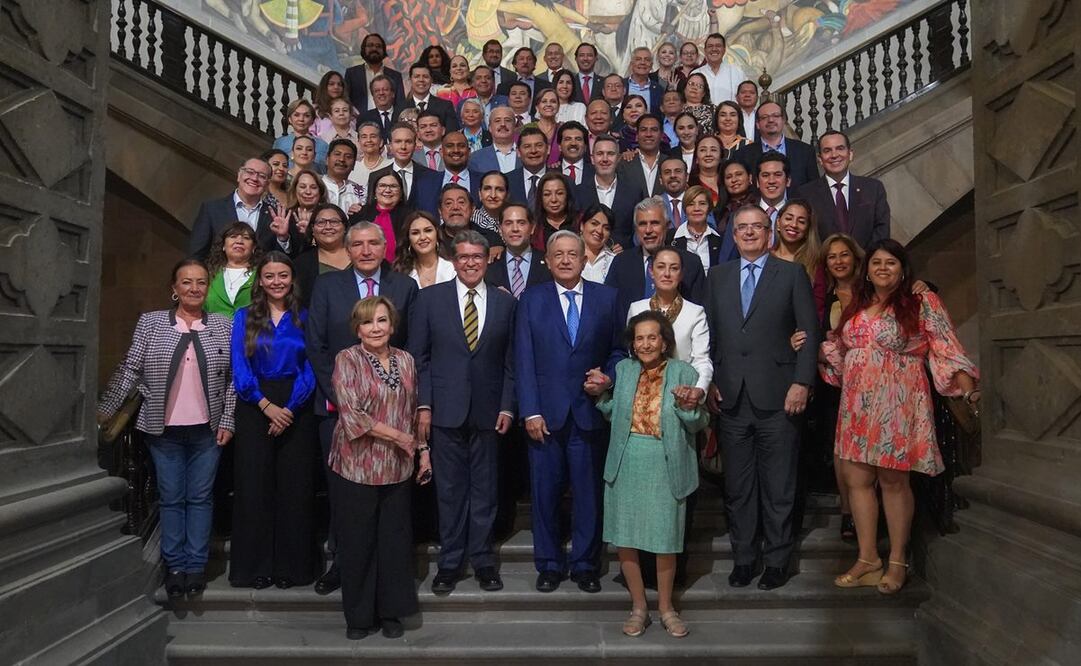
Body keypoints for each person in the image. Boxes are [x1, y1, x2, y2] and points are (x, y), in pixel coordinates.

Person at [822, 239, 978, 594]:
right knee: (857, 481)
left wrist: (969, 389)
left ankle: (896, 559)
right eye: (876, 262)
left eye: (890, 263)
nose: (882, 268)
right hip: (857, 405)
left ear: (903, 269)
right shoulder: (858, 302)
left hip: (898, 401)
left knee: (893, 483)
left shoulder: (922, 301)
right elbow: (842, 348)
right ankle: (867, 558)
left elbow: (946, 348)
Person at [98, 259, 235, 598]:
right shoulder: (152, 322)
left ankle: (195, 566)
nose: (194, 288)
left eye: (201, 282)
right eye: (186, 282)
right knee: (172, 499)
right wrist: (104, 410)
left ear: (207, 288)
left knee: (200, 498)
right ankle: (174, 566)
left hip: (208, 430)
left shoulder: (223, 323)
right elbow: (131, 368)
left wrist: (229, 419)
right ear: (174, 288)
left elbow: (234, 379)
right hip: (163, 430)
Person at [704, 205, 819, 591]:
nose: (750, 233)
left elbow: (809, 331)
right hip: (732, 398)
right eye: (742, 228)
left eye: (757, 227)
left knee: (778, 487)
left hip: (780, 397)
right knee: (738, 488)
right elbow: (711, 336)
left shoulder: (790, 274)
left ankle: (776, 561)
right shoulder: (716, 277)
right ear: (733, 236)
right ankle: (744, 559)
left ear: (769, 233)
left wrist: (802, 382)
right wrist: (711, 381)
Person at [306, 222, 419, 596]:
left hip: (394, 412)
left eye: (373, 243)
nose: (366, 250)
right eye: (358, 244)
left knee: (390, 504)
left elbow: (414, 350)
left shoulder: (404, 286)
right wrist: (344, 400)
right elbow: (317, 346)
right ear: (348, 249)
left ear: (385, 246)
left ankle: (389, 574)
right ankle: (343, 562)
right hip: (339, 410)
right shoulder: (327, 286)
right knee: (345, 494)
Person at [515, 230, 625, 593]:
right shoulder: (531, 299)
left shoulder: (607, 299)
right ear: (546, 260)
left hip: (589, 414)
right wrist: (529, 411)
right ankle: (548, 564)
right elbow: (524, 359)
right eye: (558, 254)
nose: (565, 260)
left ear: (583, 259)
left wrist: (607, 376)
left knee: (589, 494)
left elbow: (619, 351)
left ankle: (585, 564)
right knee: (545, 494)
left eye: (572, 254)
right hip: (544, 416)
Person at [586, 311, 707, 638]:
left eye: (652, 337)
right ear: (632, 344)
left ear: (665, 341)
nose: (646, 343)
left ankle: (667, 608)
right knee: (625, 540)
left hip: (666, 464)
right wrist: (601, 394)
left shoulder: (685, 372)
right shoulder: (623, 371)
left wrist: (687, 406)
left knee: (666, 539)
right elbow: (614, 413)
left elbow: (699, 424)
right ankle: (639, 606)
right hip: (626, 462)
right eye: (639, 338)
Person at [410, 230, 517, 595]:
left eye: (477, 256)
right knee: (450, 492)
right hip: (444, 412)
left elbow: (511, 362)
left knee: (486, 491)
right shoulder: (429, 300)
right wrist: (423, 405)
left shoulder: (506, 303)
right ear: (453, 261)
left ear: (487, 260)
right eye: (463, 257)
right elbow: (418, 359)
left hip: (490, 412)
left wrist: (507, 404)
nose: (470, 262)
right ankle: (451, 562)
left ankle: (484, 560)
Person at [328, 296, 431, 640]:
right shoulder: (347, 359)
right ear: (357, 328)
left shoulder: (406, 360)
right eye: (368, 322)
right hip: (356, 466)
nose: (376, 328)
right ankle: (359, 617)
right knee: (358, 543)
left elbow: (416, 411)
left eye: (382, 321)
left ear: (392, 325)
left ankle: (391, 612)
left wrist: (423, 450)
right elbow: (352, 414)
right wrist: (400, 437)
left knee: (394, 543)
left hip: (397, 468)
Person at [228, 252, 317, 590]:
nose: (277, 281)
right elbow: (240, 367)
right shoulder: (244, 316)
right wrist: (266, 406)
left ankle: (292, 568)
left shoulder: (305, 316)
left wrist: (290, 408)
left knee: (294, 489)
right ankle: (255, 567)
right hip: (255, 405)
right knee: (255, 488)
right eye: (269, 276)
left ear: (292, 279)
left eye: (283, 275)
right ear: (260, 281)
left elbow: (311, 366)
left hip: (298, 404)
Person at [814, 233, 865, 541]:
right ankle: (849, 512)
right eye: (832, 257)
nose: (838, 261)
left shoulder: (872, 292)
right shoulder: (825, 299)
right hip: (836, 385)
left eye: (844, 254)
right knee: (842, 450)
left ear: (855, 258)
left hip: (871, 384)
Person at [627, 248, 712, 396]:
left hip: (681, 392)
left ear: (681, 274)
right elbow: (631, 356)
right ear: (651, 271)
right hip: (643, 394)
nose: (667, 273)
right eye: (661, 267)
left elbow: (702, 360)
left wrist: (698, 389)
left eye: (674, 268)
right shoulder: (637, 308)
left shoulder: (695, 312)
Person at [606, 197, 706, 318]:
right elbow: (609, 311)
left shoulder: (690, 263)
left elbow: (700, 313)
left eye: (654, 223)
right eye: (642, 224)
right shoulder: (621, 263)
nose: (648, 230)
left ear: (667, 226)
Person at [189, 158, 297, 260]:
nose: (254, 178)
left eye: (262, 176)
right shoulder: (212, 210)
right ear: (239, 175)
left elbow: (282, 261)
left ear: (267, 184)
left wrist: (283, 238)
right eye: (250, 172)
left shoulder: (276, 216)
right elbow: (196, 255)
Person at [798, 129, 891, 248]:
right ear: (820, 159)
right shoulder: (806, 194)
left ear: (850, 154)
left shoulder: (873, 188)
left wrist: (863, 260)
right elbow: (804, 237)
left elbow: (882, 230)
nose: (834, 155)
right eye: (827, 151)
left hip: (866, 263)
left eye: (840, 148)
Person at [579, 135, 646, 250]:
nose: (605, 159)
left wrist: (626, 249)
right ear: (592, 158)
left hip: (623, 259)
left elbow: (638, 229)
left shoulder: (634, 192)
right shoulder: (578, 192)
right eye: (600, 154)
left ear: (618, 158)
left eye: (610, 154)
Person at [733, 102, 819, 189]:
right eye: (764, 117)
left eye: (776, 116)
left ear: (783, 120)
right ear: (758, 124)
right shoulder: (742, 155)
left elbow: (814, 188)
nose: (771, 120)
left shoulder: (805, 151)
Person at [367, 122, 442, 216]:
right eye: (398, 141)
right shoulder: (376, 176)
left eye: (408, 142)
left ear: (415, 145)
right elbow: (371, 211)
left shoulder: (433, 177)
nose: (403, 147)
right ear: (390, 145)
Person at [772, 199, 826, 317]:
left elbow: (817, 310)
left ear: (807, 230)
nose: (794, 225)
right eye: (788, 218)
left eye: (801, 221)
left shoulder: (814, 264)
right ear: (778, 222)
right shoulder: (764, 258)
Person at [487, 204, 552, 297]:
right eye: (508, 223)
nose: (515, 229)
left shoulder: (549, 263)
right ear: (500, 229)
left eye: (521, 223)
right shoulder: (490, 267)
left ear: (532, 228)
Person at [294, 203, 351, 307]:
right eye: (321, 222)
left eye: (334, 222)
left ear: (345, 227)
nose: (328, 227)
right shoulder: (302, 263)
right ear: (312, 229)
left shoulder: (359, 254)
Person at [204, 222, 262, 318]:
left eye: (246, 238)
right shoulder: (207, 274)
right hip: (213, 331)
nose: (239, 241)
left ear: (253, 248)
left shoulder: (262, 275)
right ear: (223, 245)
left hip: (251, 331)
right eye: (233, 236)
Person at [355, 170, 413, 263]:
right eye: (382, 185)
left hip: (402, 271)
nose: (387, 190)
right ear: (374, 191)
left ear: (401, 192)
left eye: (393, 186)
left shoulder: (411, 218)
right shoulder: (359, 215)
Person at [668, 185, 724, 272]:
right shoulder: (670, 238)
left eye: (702, 203)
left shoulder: (719, 240)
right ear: (684, 209)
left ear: (709, 208)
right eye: (691, 204)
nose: (696, 208)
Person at [345, 33, 405, 112]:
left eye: (378, 46)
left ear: (383, 51)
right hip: (359, 121)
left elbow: (400, 104)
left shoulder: (395, 76)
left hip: (387, 122)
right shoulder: (352, 74)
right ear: (364, 49)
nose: (374, 48)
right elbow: (345, 100)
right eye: (370, 45)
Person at [393, 211, 456, 288]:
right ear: (408, 238)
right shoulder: (400, 272)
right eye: (415, 233)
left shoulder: (453, 269)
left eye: (428, 230)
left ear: (437, 234)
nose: (422, 237)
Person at [616, 114, 666, 197]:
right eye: (643, 130)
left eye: (654, 130)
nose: (648, 134)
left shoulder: (669, 162)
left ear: (661, 135)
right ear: (636, 136)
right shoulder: (624, 164)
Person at [273, 99, 330, 169]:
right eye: (296, 115)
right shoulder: (280, 143)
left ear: (313, 120)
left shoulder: (323, 145)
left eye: (306, 115)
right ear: (290, 119)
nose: (301, 119)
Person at [402, 63, 459, 132]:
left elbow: (452, 135)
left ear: (431, 80)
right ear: (410, 80)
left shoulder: (446, 106)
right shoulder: (400, 107)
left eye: (425, 76)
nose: (421, 80)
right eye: (417, 76)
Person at [531, 172, 578, 251]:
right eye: (547, 194)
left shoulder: (580, 221)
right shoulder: (534, 227)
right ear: (540, 198)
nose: (554, 199)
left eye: (559, 193)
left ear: (567, 195)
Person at [692, 33, 743, 106]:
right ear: (705, 50)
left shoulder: (737, 72)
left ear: (724, 50)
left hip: (729, 117)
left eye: (718, 46)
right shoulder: (695, 74)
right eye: (710, 46)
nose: (714, 49)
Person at [278, 168, 326, 240]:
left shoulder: (329, 216)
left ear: (320, 191)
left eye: (313, 187)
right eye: (302, 187)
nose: (308, 192)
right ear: (295, 190)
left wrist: (310, 232)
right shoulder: (285, 217)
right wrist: (283, 237)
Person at [507, 127, 550, 207]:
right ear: (518, 152)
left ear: (548, 149)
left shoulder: (563, 181)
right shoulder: (506, 181)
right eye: (527, 146)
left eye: (539, 145)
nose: (533, 151)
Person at [349, 122, 391, 202]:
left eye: (373, 136)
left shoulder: (390, 165)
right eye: (364, 137)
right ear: (359, 142)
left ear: (381, 142)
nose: (368, 140)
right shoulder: (352, 168)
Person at [469, 106, 519, 174]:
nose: (503, 124)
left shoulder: (527, 154)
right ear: (490, 128)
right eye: (497, 121)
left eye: (507, 120)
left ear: (514, 126)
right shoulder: (476, 158)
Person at [322, 139, 364, 217]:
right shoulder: (315, 186)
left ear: (354, 164)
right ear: (327, 159)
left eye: (348, 156)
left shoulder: (361, 192)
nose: (342, 159)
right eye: (337, 154)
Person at [580, 203, 619, 283]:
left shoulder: (614, 260)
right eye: (594, 224)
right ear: (582, 225)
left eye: (606, 228)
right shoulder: (568, 256)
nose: (599, 231)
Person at [356, 75, 401, 142]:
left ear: (393, 94)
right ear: (373, 96)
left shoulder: (402, 114)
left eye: (385, 89)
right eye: (377, 91)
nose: (381, 93)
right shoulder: (363, 118)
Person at [528, 88, 562, 164]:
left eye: (553, 101)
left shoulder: (563, 129)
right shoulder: (527, 129)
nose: (549, 104)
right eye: (544, 101)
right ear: (537, 107)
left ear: (558, 106)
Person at [626, 47, 665, 113]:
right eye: (638, 59)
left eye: (647, 60)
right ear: (631, 64)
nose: (643, 62)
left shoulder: (658, 89)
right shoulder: (621, 85)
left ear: (651, 65)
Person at [312, 70, 349, 138]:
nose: (336, 87)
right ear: (324, 87)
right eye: (331, 84)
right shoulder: (314, 110)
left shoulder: (351, 110)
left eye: (339, 84)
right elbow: (310, 135)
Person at [689, 135, 724, 204]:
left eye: (713, 150)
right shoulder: (687, 186)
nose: (708, 154)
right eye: (703, 150)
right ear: (696, 158)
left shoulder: (729, 182)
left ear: (721, 157)